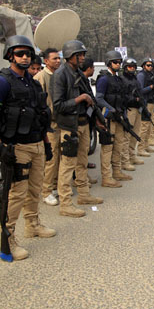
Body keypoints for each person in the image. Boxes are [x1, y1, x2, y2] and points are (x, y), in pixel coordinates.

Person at [0, 35, 56, 262]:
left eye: (28, 53)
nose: (25, 57)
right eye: (19, 53)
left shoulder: (33, 83)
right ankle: (9, 237)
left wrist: (46, 144)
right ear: (10, 56)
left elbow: (40, 117)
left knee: (35, 188)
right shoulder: (1, 82)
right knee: (16, 194)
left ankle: (33, 224)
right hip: (16, 147)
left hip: (36, 143)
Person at [50, 40, 104, 218]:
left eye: (82, 55)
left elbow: (90, 98)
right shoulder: (60, 75)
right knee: (67, 166)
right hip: (69, 127)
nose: (82, 58)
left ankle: (84, 194)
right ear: (69, 56)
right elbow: (57, 105)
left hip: (83, 124)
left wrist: (96, 117)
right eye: (78, 55)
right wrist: (79, 99)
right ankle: (65, 204)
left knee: (82, 161)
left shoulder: (78, 73)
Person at [94, 51, 130, 187]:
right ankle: (106, 177)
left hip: (119, 117)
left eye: (119, 62)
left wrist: (123, 115)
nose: (118, 64)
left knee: (118, 145)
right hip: (109, 117)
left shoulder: (118, 78)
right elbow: (99, 98)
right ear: (109, 63)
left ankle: (117, 171)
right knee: (108, 147)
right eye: (115, 62)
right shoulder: (104, 79)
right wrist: (111, 109)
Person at [34, 48, 62, 206]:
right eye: (54, 59)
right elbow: (39, 105)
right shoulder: (40, 77)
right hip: (49, 125)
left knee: (59, 156)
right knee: (50, 159)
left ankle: (55, 186)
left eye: (59, 58)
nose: (58, 61)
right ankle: (46, 192)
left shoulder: (58, 76)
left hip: (60, 123)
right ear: (46, 61)